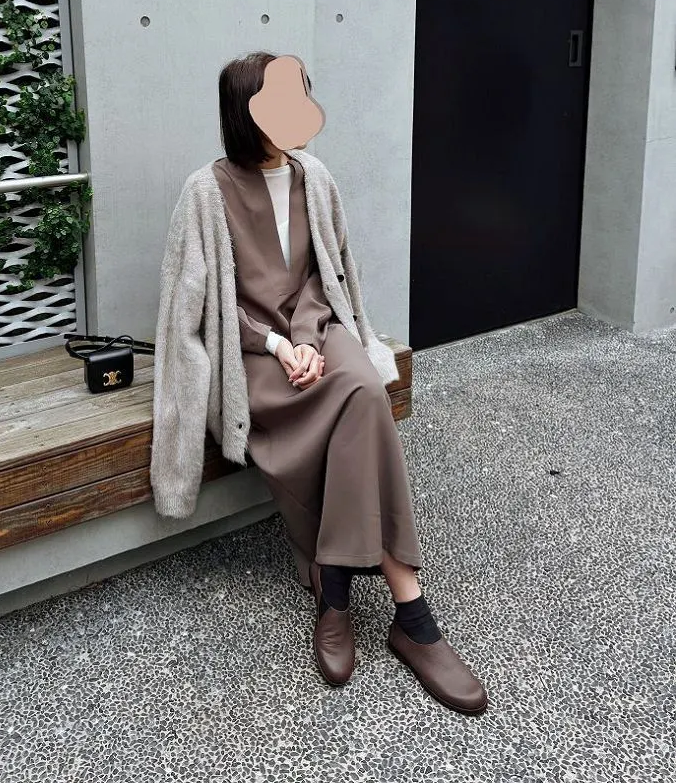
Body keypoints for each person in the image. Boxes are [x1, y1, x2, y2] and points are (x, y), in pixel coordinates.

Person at [149, 50, 487, 714]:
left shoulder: (315, 176)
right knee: (348, 406)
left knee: (363, 390)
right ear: (245, 114)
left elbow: (321, 275)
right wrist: (278, 346)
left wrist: (306, 338)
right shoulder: (205, 192)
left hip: (316, 331)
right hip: (249, 355)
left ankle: (347, 591)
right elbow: (208, 304)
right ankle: (403, 617)